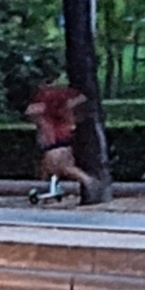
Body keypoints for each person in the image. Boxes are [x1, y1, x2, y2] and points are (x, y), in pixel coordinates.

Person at [25, 79, 92, 207]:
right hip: (61, 134)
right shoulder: (65, 94)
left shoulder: (47, 96)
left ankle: (90, 182)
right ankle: (50, 190)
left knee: (63, 166)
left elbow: (33, 111)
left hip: (56, 137)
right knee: (50, 166)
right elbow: (81, 99)